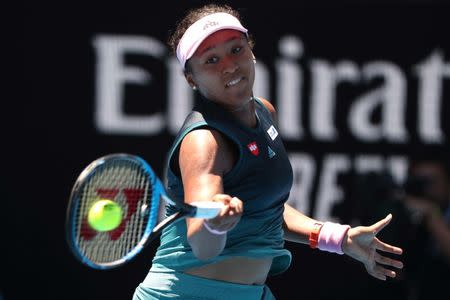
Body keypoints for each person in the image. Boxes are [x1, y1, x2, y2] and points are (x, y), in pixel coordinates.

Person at [133, 4, 403, 299]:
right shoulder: (204, 141)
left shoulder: (265, 113)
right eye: (211, 60)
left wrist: (338, 238)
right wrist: (214, 225)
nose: (229, 65)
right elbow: (202, 244)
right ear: (191, 78)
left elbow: (266, 206)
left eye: (236, 49)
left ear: (251, 51)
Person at [400, 155, 450, 300]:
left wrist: (432, 215)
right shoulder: (406, 212)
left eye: (431, 181)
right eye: (419, 182)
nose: (426, 189)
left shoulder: (432, 213)